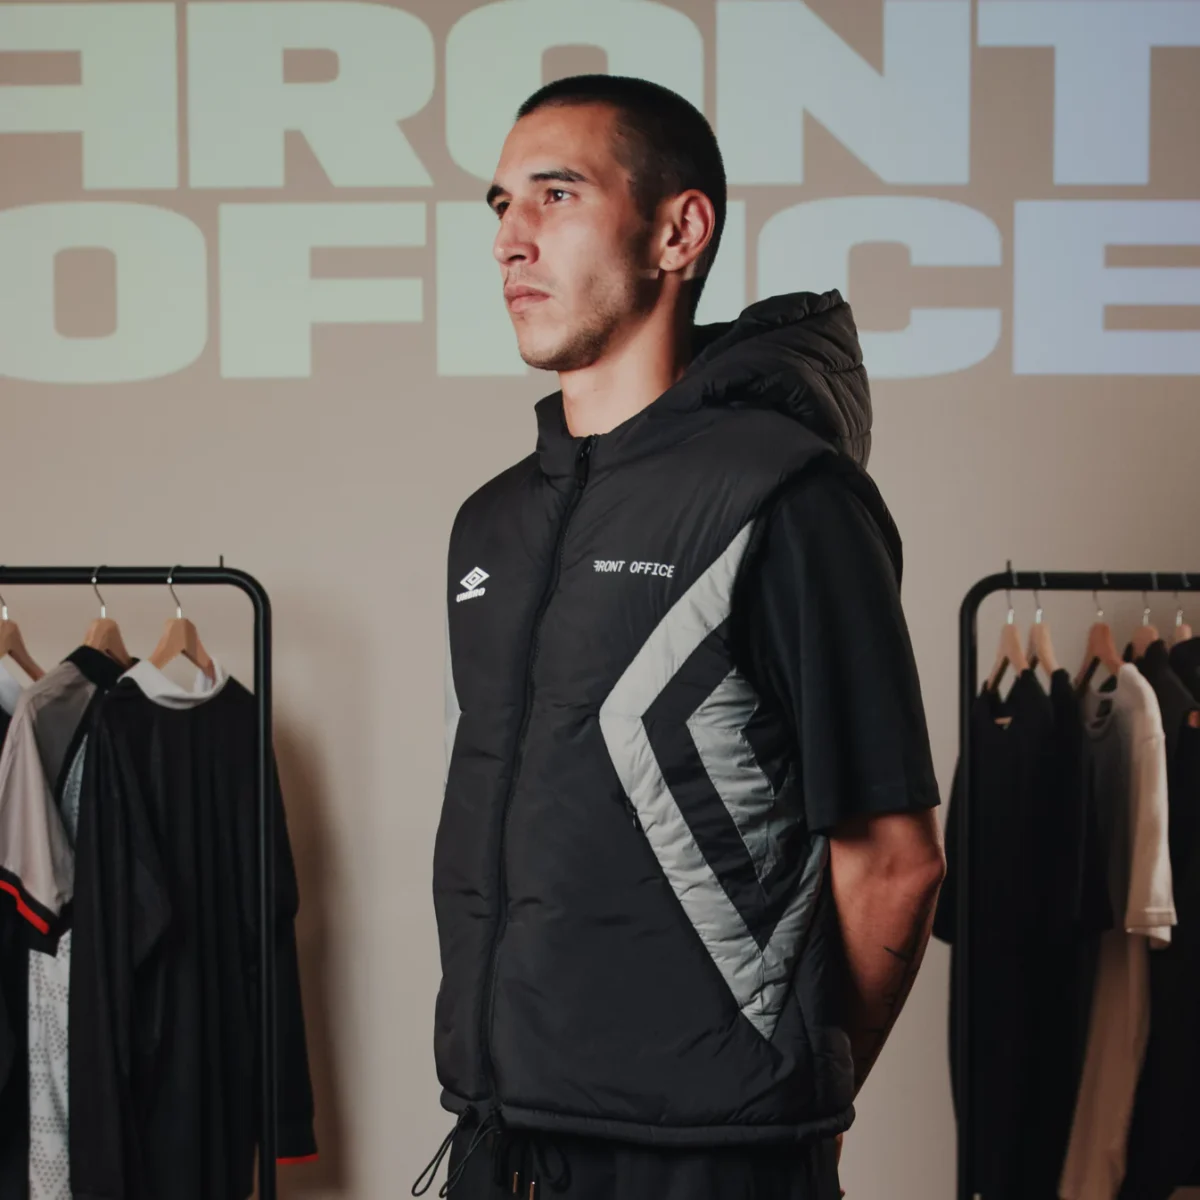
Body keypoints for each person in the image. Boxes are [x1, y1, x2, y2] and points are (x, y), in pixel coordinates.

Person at [412, 74, 946, 1200]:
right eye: (501, 205)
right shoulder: (490, 522)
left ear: (678, 232)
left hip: (711, 1160)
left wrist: (797, 1103)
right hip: (500, 1137)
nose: (510, 239)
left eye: (556, 195)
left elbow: (895, 862)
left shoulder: (787, 497)